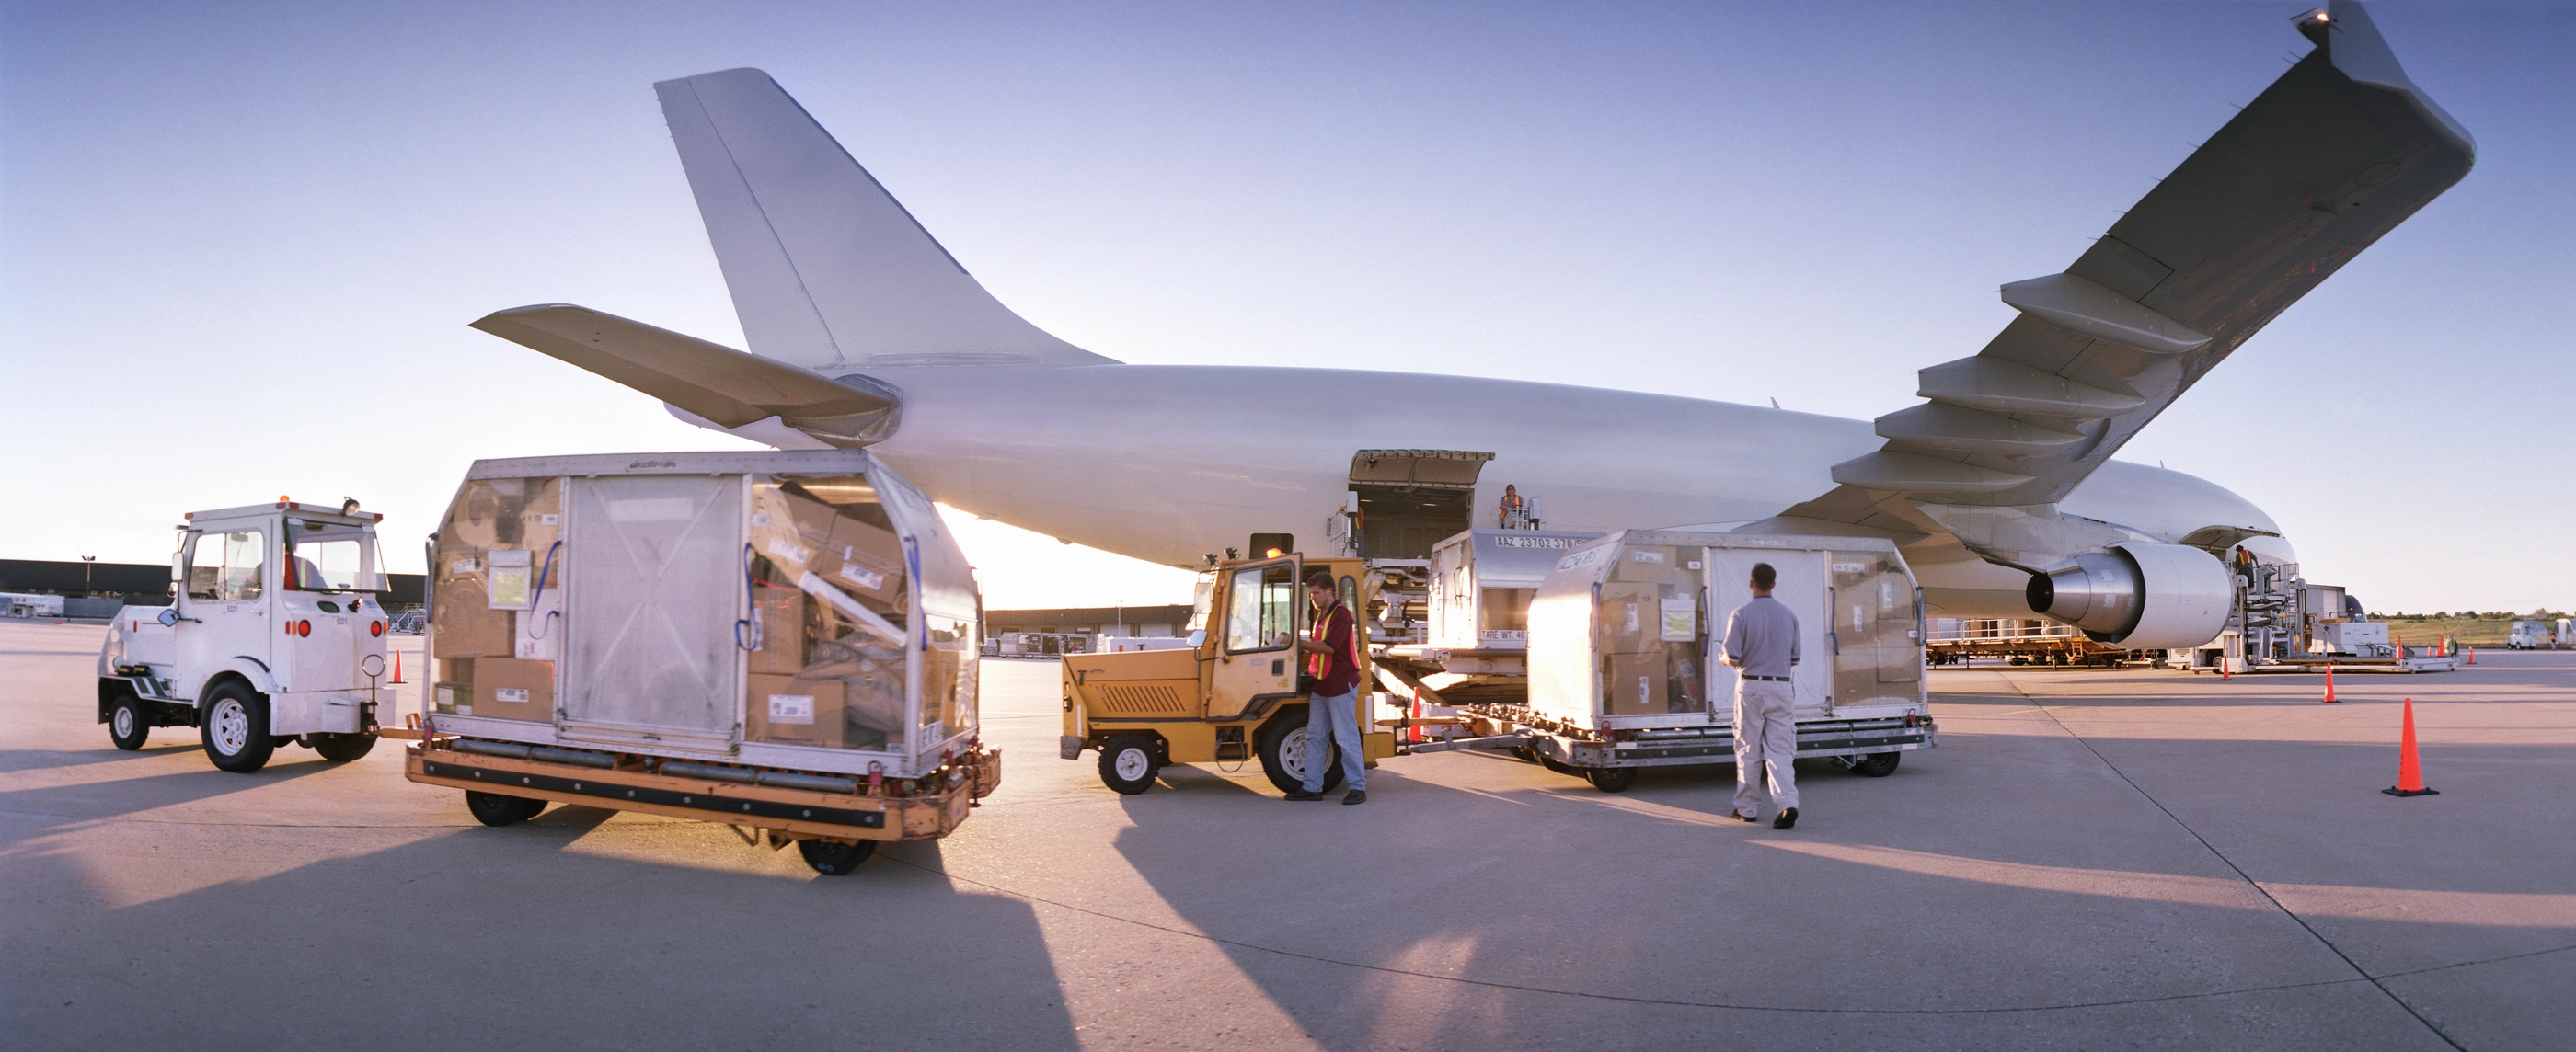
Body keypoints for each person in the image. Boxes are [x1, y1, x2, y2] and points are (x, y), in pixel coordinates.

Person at [1719, 562, 1800, 829]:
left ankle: (1747, 808)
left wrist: (1723, 658)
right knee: (1781, 749)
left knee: (1748, 748)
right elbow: (1794, 658)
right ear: (1774, 584)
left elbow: (1731, 657)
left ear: (1751, 583)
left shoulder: (1741, 615)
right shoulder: (1789, 616)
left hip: (1752, 687)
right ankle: (1787, 803)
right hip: (1781, 687)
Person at [1286, 569, 1368, 804]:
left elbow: (1329, 647)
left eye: (1316, 593)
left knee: (1346, 738)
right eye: (1311, 594)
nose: (1313, 598)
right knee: (1315, 737)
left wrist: (1296, 644)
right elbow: (1318, 647)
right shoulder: (1322, 615)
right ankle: (1312, 788)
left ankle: (1357, 788)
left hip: (1340, 685)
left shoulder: (1341, 615)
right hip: (1322, 686)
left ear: (1329, 592)